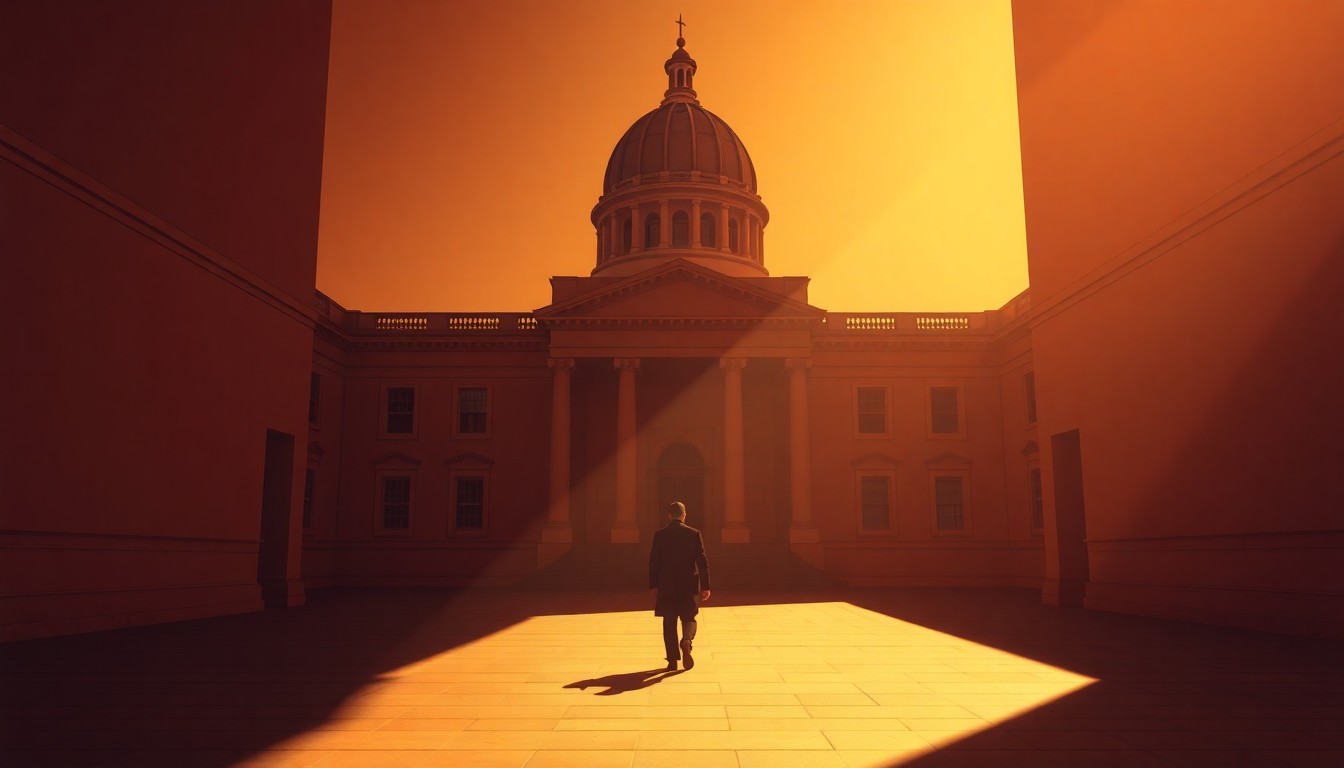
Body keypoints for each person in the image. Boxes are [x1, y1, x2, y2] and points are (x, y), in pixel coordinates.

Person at [648, 501, 711, 670]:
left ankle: (672, 661)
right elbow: (702, 561)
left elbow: (654, 561)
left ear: (669, 515)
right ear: (684, 515)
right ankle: (686, 641)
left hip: (667, 583)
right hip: (688, 583)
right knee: (689, 617)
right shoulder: (694, 534)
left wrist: (653, 584)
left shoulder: (660, 535)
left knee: (669, 621)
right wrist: (706, 586)